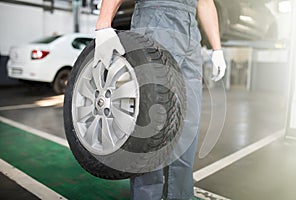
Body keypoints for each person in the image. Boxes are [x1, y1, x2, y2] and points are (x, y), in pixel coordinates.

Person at [93, 0, 226, 199]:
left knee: (188, 120)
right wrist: (103, 24)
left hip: (190, 28)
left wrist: (217, 49)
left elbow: (205, 2)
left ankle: (179, 195)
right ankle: (147, 195)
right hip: (156, 17)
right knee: (152, 123)